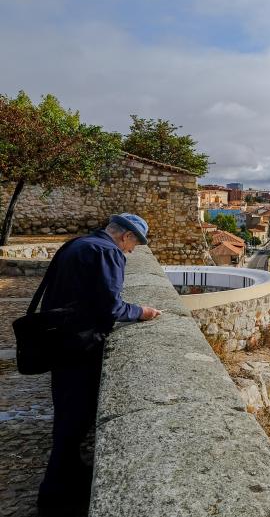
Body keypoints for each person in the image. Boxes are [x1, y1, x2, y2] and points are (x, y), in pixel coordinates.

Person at [36, 213, 162, 516]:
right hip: (79, 344)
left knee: (67, 412)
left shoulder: (78, 244)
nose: (131, 252)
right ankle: (53, 496)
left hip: (59, 339)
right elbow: (111, 305)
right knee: (74, 417)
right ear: (126, 237)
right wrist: (141, 311)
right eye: (134, 245)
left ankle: (72, 473)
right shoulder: (107, 253)